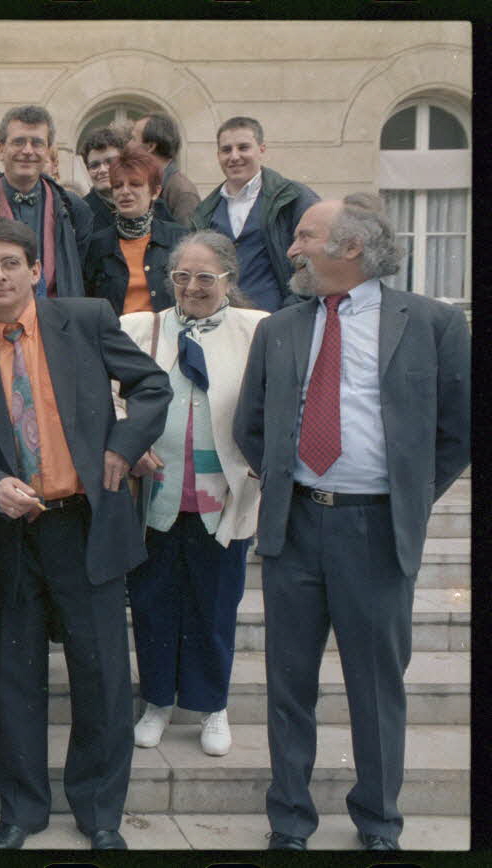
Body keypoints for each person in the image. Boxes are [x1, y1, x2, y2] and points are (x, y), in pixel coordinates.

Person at [234, 194, 470, 852]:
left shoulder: (431, 323)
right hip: (296, 529)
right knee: (288, 688)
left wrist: (407, 496)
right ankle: (289, 821)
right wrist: (286, 479)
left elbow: (458, 429)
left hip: (376, 532)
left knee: (375, 689)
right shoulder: (278, 328)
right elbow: (249, 426)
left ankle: (379, 823)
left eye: (304, 237)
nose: (292, 249)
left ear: (350, 248)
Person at [0, 219, 170, 850]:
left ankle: (100, 814)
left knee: (100, 674)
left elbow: (154, 385)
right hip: (14, 536)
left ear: (35, 269)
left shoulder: (86, 319)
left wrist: (125, 447)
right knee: (16, 678)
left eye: (11, 264)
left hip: (85, 524)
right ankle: (20, 810)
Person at [116, 231, 266, 758]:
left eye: (206, 277)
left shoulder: (256, 330)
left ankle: (213, 704)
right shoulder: (140, 328)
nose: (193, 287)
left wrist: (258, 465)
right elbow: (107, 394)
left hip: (224, 494)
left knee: (216, 603)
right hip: (157, 490)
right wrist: (128, 442)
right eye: (182, 276)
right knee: (154, 602)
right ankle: (157, 701)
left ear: (229, 279)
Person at [191, 116, 320, 312]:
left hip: (279, 321)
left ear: (261, 150)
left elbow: (317, 257)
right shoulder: (204, 212)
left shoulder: (294, 198)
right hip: (221, 322)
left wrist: (294, 309)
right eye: (226, 150)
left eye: (243, 147)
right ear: (218, 155)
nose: (234, 156)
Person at [0, 105, 91, 298]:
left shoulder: (74, 209)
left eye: (37, 143)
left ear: (47, 151)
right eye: (19, 142)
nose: (28, 151)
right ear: (1, 149)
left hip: (57, 320)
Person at [83, 150, 189, 316]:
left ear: (155, 192)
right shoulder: (96, 245)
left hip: (165, 337)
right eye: (118, 186)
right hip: (115, 338)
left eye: (135, 184)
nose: (125, 191)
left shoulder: (180, 240)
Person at [130, 112, 201, 227]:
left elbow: (187, 241)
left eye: (133, 139)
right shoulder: (147, 183)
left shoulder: (183, 193)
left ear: (150, 147)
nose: (128, 145)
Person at [77, 126, 127, 231]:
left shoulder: (147, 204)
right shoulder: (80, 212)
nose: (103, 170)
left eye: (110, 162)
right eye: (94, 165)